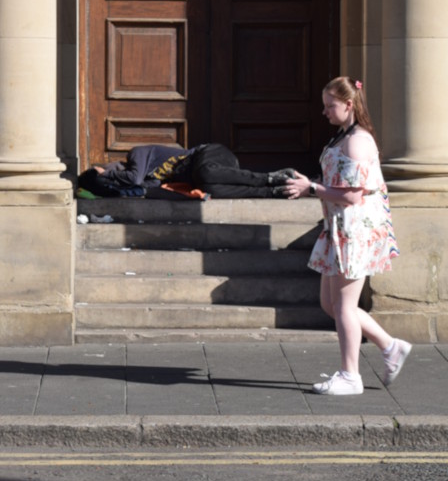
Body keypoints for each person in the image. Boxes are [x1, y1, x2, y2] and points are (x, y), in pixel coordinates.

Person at [285, 76, 409, 396]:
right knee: (331, 303)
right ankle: (390, 346)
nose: (325, 111)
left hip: (355, 232)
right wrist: (312, 184)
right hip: (340, 230)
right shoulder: (345, 136)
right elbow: (341, 184)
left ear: (349, 105)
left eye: (330, 105)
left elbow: (352, 195)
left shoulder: (357, 142)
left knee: (343, 306)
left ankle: (350, 376)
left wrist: (311, 188)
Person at [78, 143, 296, 199]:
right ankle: (271, 192)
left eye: (104, 171)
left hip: (210, 154)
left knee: (205, 174)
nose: (110, 173)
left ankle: (269, 177)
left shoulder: (137, 154)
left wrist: (106, 174)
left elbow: (132, 178)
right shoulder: (146, 182)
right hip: (210, 176)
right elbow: (140, 187)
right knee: (209, 189)